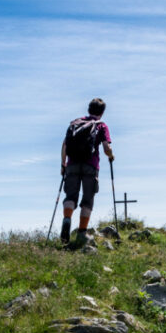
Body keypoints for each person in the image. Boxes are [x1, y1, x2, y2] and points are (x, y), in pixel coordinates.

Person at [60, 98, 114, 245]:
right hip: (91, 165)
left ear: (89, 109)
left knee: (70, 195)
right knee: (88, 199)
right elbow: (106, 148)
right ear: (102, 112)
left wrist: (63, 164)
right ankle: (82, 233)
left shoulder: (75, 123)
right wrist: (111, 156)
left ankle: (67, 219)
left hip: (72, 164)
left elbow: (65, 146)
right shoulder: (101, 125)